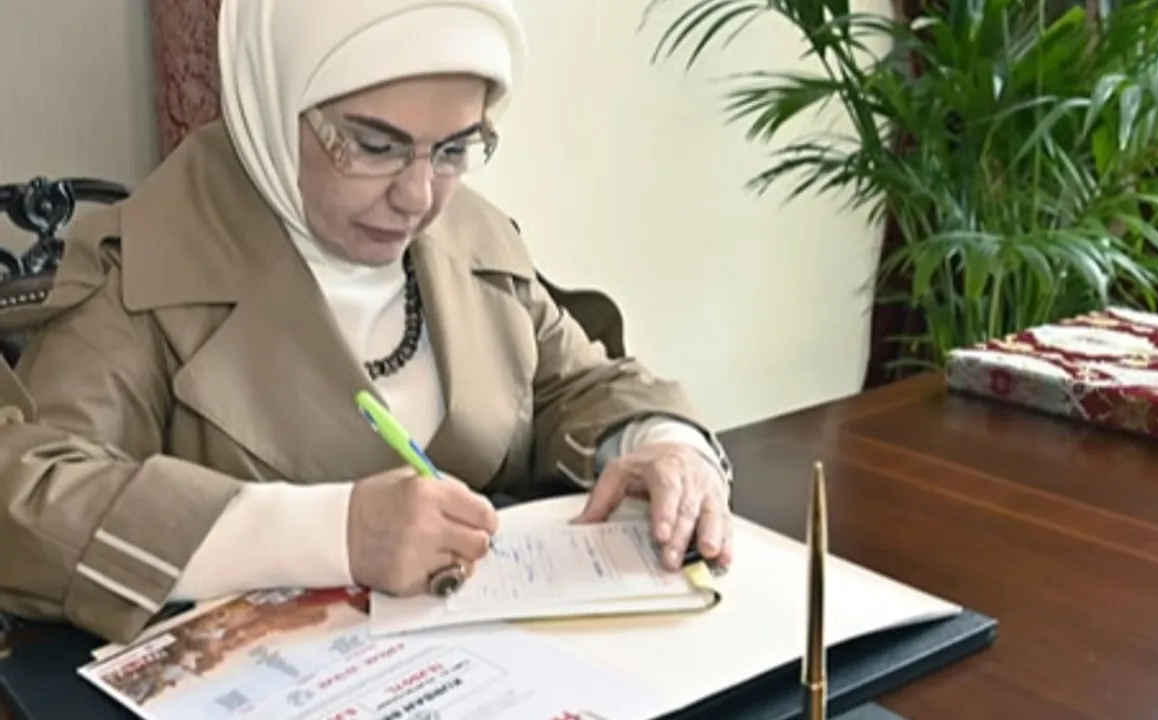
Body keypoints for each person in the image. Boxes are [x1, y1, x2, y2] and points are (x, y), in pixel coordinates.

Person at [0, 0, 733, 645]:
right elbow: (28, 501)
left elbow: (574, 385)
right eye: (375, 146)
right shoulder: (141, 265)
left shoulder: (473, 236)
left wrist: (664, 446)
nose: (418, 196)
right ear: (274, 95)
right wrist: (331, 533)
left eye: (454, 149)